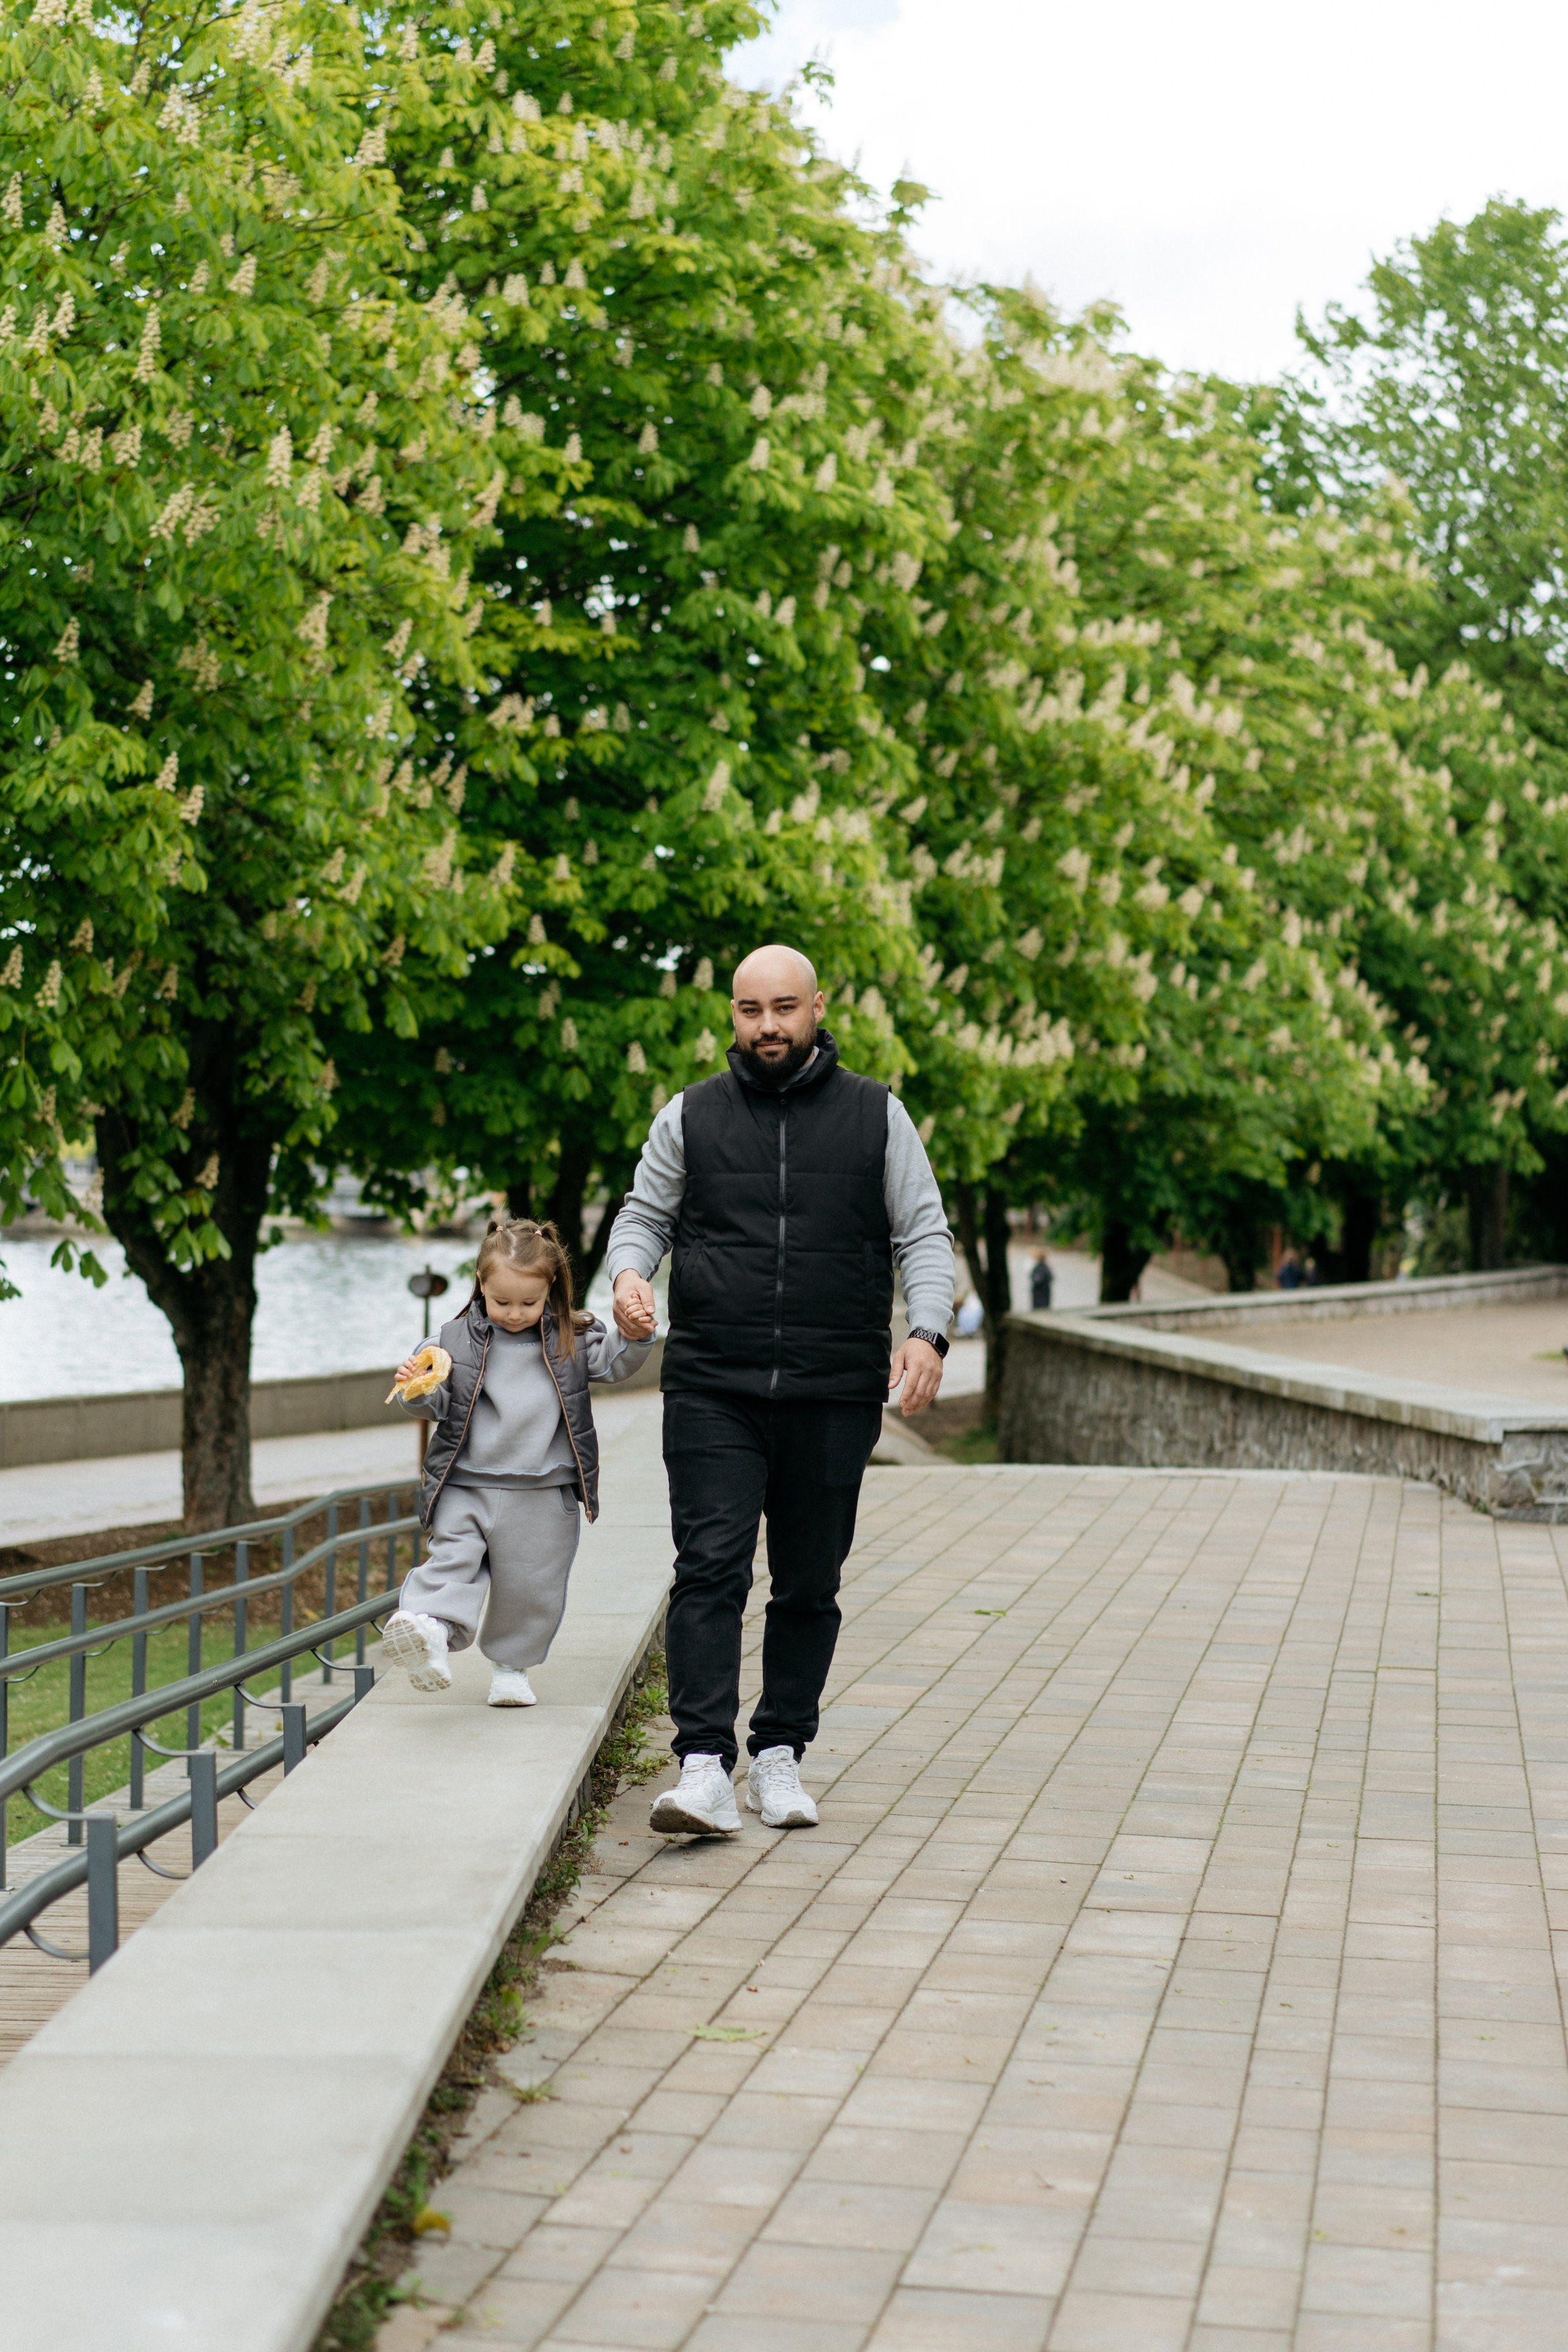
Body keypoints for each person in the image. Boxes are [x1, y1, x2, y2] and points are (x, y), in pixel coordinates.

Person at [607, 943, 954, 1838]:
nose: (767, 1026)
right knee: (710, 1569)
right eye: (750, 1009)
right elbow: (644, 1214)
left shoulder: (877, 1115)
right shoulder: (690, 1114)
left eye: (784, 1008)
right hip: (711, 1384)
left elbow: (923, 1232)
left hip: (833, 1388)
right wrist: (629, 1274)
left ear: (817, 1008)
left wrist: (926, 1331)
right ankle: (702, 1767)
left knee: (807, 1583)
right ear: (733, 1013)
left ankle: (778, 1755)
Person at [381, 1218, 653, 1706]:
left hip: (543, 1491)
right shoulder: (449, 1342)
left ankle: (511, 1669)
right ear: (481, 1284)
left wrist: (634, 1336)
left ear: (551, 1288)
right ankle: (431, 1631)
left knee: (531, 1586)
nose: (513, 1313)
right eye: (501, 1301)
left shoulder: (572, 1338)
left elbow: (614, 1363)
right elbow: (434, 1404)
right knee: (453, 1561)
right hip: (466, 1483)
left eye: (529, 1303)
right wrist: (415, 1388)